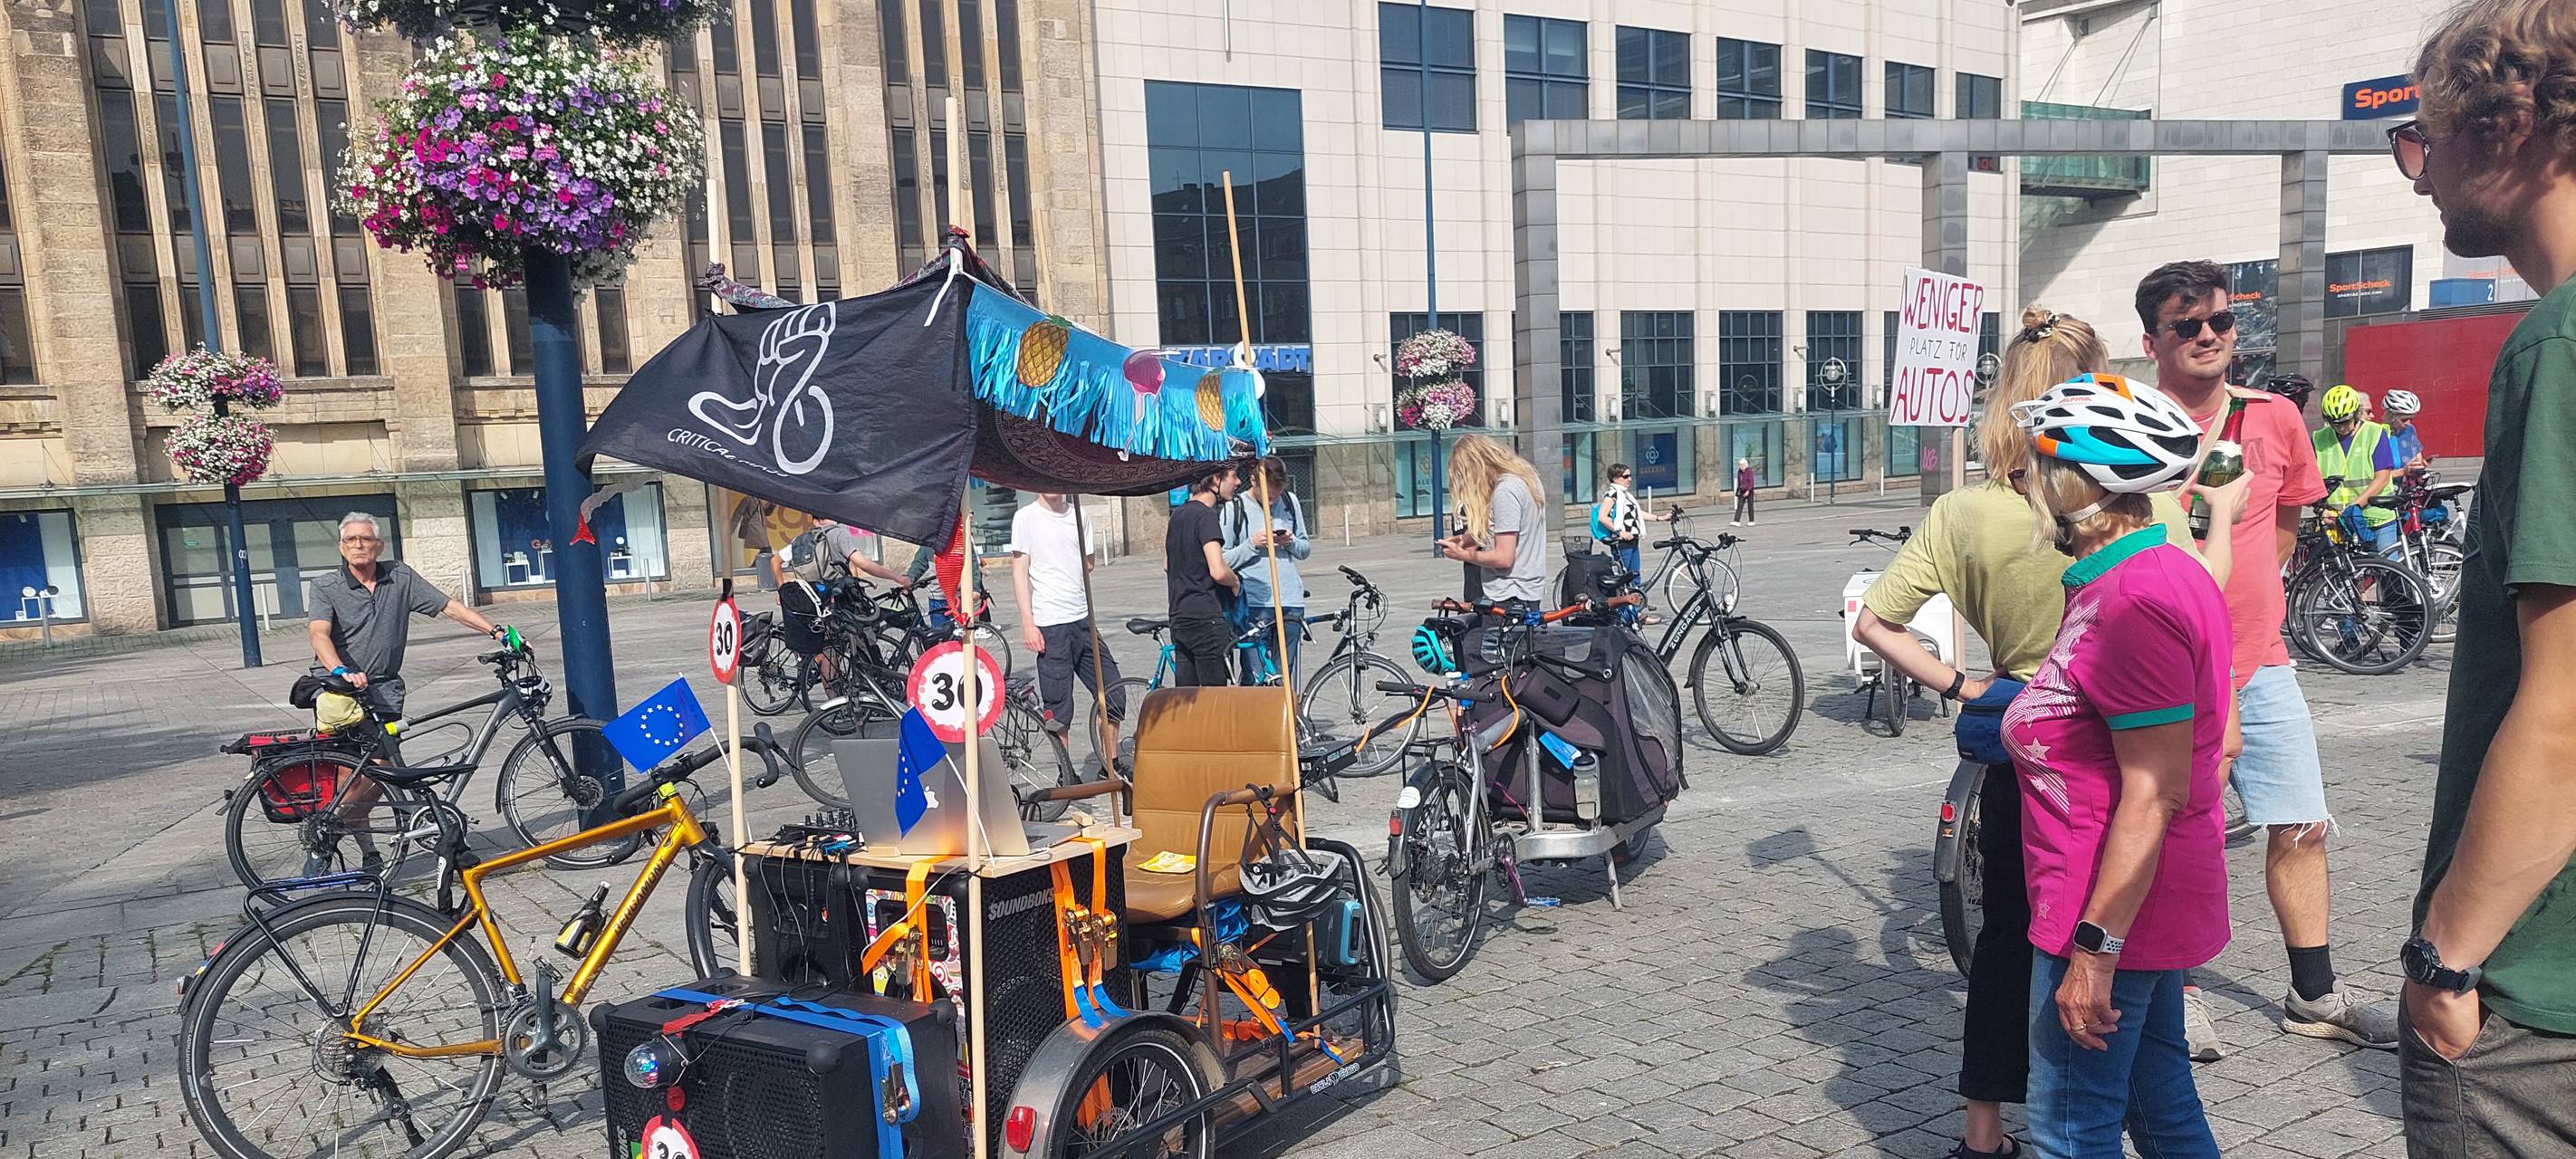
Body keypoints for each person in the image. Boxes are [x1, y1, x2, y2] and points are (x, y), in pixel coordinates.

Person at [1851, 309, 2208, 1159]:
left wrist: (1971, 685)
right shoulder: (2139, 540)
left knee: (2060, 1081)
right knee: (2147, 1086)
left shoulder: (2095, 579)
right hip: (2107, 810)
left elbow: (1875, 622)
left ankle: (1985, 1133)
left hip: (2069, 809)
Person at [2132, 260, 2396, 1056]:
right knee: (2180, 830)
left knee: (2302, 822)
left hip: (2261, 659)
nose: (2209, 336)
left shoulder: (2276, 417)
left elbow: (2283, 527)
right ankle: (2172, 993)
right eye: (2188, 325)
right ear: (2153, 340)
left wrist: (2252, 605)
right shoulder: (2129, 421)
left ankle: (2313, 994)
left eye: (2219, 321)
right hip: (2164, 667)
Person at [2396, 7, 2576, 1151]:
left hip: (2536, 992)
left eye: (2424, 137)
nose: (2419, 176)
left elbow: (2565, 711)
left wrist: (2443, 956)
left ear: (2506, 120)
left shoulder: (2557, 345)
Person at [2002, 374, 2235, 1159]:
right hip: (2125, 898)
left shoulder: (2134, 598)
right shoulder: (2133, 577)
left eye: (2033, 466)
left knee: (2069, 1128)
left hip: (2108, 908)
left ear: (2073, 485)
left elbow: (2156, 786)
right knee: (2162, 1106)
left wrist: (2095, 953)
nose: (2022, 481)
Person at [304, 511, 512, 875]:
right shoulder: (326, 587)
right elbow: (319, 633)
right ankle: (326, 839)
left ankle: (375, 851)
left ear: (378, 545)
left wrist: (497, 631)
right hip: (340, 694)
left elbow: (449, 607)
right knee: (361, 775)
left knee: (375, 774)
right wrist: (340, 670)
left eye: (365, 539)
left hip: (383, 691)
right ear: (341, 546)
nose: (358, 545)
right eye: (350, 539)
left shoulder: (398, 576)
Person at [1008, 493, 1124, 768]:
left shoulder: (1079, 514)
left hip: (1083, 621)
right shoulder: (1025, 518)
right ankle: (1066, 773)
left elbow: (1089, 563)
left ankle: (1112, 764)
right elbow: (1019, 571)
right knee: (1059, 707)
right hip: (1050, 624)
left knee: (1114, 695)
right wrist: (1028, 622)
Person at [779, 514, 912, 675]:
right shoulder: (838, 534)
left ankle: (834, 697)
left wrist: (781, 588)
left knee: (830, 649)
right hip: (842, 599)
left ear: (815, 520)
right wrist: (897, 577)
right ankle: (876, 681)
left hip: (817, 601)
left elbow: (775, 560)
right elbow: (864, 563)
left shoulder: (801, 539)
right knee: (863, 637)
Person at [1222, 457, 1312, 683]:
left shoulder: (1290, 502)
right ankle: (1253, 715)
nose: (1273, 502)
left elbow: (1304, 548)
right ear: (1253, 481)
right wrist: (1253, 545)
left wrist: (1289, 542)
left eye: (1276, 496)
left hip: (1290, 599)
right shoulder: (1235, 508)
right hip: (1255, 602)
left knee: (1284, 673)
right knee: (1256, 672)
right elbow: (1222, 559)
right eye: (1269, 496)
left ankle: (1282, 716)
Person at [1436, 434, 1549, 614]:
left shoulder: (1505, 491)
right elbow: (1509, 529)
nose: (1468, 484)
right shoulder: (1527, 479)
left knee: (1476, 641)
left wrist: (1464, 555)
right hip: (1525, 592)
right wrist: (1467, 539)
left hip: (1509, 594)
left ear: (1476, 467)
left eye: (1465, 476)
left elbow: (1504, 557)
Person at [1164, 463, 1242, 686]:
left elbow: (1167, 564)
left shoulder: (1177, 515)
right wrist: (1234, 581)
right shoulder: (1206, 517)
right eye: (1234, 476)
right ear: (1216, 480)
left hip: (1179, 615)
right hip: (1205, 618)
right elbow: (1218, 571)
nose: (1237, 482)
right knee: (1214, 701)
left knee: (1188, 700)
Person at [2312, 385, 2403, 557]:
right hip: (2337, 521)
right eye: (2334, 423)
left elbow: (2382, 477)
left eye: (2345, 422)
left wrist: (2355, 506)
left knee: (2389, 571)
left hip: (2377, 517)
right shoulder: (2319, 438)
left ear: (2355, 414)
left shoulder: (2375, 433)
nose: (2340, 428)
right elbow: (2310, 479)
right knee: (2343, 577)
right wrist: (2321, 508)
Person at [1590, 463, 1668, 625]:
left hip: (1632, 539)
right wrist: (1620, 531)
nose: (1629, 479)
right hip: (1621, 542)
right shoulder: (1612, 494)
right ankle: (1627, 615)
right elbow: (1603, 517)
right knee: (1624, 579)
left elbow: (1637, 515)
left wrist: (1660, 518)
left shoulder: (1625, 495)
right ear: (1615, 478)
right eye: (1625, 476)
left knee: (1634, 577)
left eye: (1630, 475)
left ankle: (1635, 614)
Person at [2381, 388, 2431, 473]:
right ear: (2390, 416)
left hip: (2407, 485)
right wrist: (2402, 472)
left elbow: (2418, 458)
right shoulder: (2379, 435)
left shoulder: (2409, 430)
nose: (2408, 423)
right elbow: (2375, 476)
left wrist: (2420, 465)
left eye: (2411, 419)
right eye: (2404, 419)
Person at [1733, 457, 1758, 526]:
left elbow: (1751, 482)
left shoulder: (1749, 471)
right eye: (1739, 465)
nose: (1740, 467)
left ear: (1745, 465)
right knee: (1740, 505)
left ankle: (1751, 520)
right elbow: (1739, 481)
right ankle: (1736, 520)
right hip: (1742, 490)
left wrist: (1748, 491)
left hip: (1749, 490)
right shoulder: (1739, 472)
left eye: (1741, 465)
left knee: (1750, 505)